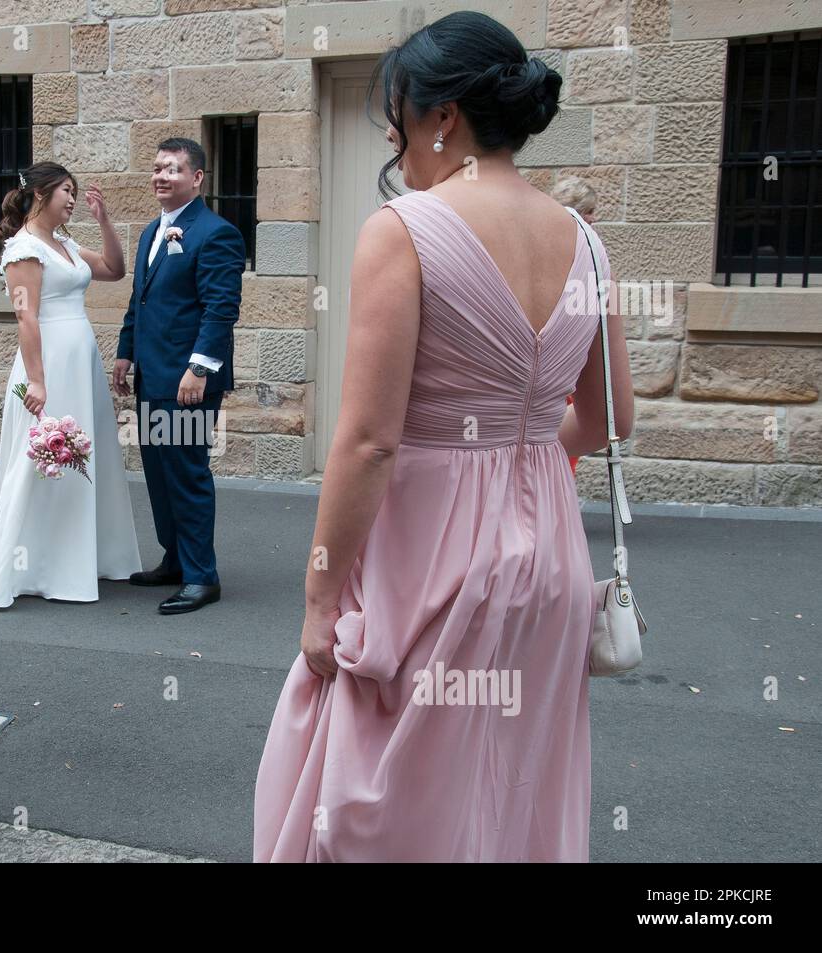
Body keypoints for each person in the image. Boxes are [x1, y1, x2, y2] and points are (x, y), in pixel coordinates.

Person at [253, 12, 635, 862]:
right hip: (550, 563)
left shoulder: (406, 231)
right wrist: (526, 463)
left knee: (390, 796)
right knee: (509, 782)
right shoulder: (588, 244)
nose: (394, 136)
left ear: (442, 117)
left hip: (430, 558)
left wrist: (321, 599)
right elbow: (610, 418)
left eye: (397, 115)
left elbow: (368, 442)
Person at [0, 162, 142, 607]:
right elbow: (25, 315)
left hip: (80, 363)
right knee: (38, 459)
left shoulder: (65, 244)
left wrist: (106, 220)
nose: (72, 199)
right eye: (65, 191)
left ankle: (85, 558)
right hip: (46, 365)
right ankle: (30, 567)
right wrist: (36, 380)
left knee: (86, 455)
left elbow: (114, 269)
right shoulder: (23, 249)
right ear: (40, 194)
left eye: (74, 191)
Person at [113, 138, 247, 615]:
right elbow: (140, 301)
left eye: (173, 168)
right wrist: (125, 354)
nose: (161, 176)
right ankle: (174, 559)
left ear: (197, 179)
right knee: (158, 471)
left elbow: (220, 309)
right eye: (156, 168)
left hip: (188, 382)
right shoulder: (152, 232)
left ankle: (200, 576)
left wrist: (199, 369)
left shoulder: (216, 234)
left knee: (186, 472)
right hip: (152, 375)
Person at [550, 175, 600, 476]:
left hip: (574, 364)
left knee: (566, 448)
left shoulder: (589, 255)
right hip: (560, 368)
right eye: (588, 213)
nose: (593, 221)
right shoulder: (573, 256)